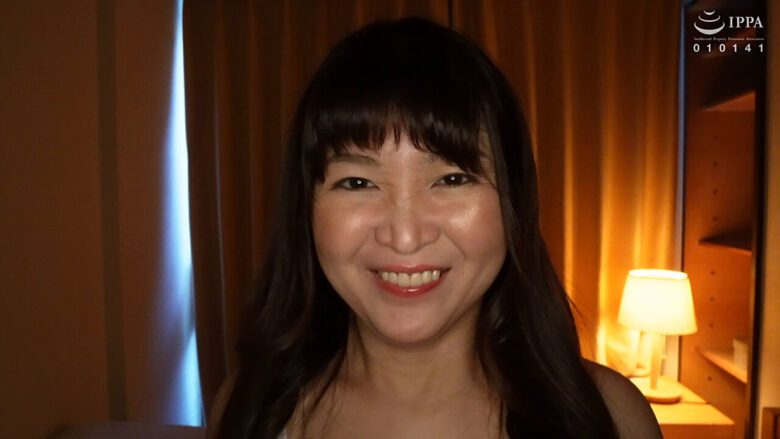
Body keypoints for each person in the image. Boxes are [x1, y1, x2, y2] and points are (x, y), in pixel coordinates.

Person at [210, 17, 662, 439]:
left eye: (452, 179)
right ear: (305, 209)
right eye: (358, 182)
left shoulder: (610, 417)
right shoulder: (251, 409)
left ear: (513, 203)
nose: (405, 237)